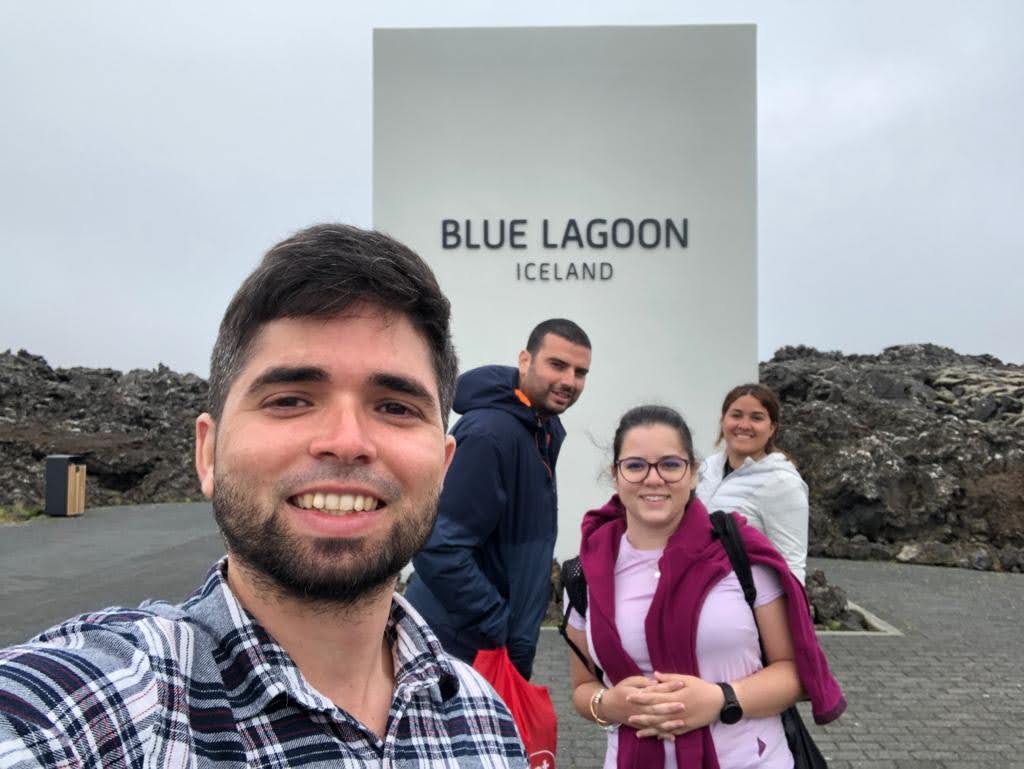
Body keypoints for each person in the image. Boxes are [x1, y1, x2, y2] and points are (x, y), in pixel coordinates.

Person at [0, 224, 527, 768]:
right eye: (291, 399)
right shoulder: (105, 707)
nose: (347, 442)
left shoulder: (482, 718)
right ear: (208, 453)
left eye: (395, 406)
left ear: (443, 469)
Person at [564, 405, 844, 769]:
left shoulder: (738, 554)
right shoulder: (587, 572)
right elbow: (583, 688)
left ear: (694, 473)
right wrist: (610, 704)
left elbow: (795, 672)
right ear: (615, 476)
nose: (653, 478)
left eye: (670, 464)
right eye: (635, 465)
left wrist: (722, 699)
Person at [404, 319, 592, 680]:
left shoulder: (538, 431)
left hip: (488, 648)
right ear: (525, 360)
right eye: (557, 365)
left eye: (580, 372)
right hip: (459, 651)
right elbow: (437, 544)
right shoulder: (491, 435)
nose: (569, 380)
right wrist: (498, 625)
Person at [697, 384, 810, 582]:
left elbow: (792, 564)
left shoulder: (783, 483)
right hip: (697, 590)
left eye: (756, 417)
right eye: (736, 415)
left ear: (772, 427)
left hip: (746, 602)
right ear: (723, 420)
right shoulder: (707, 468)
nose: (744, 425)